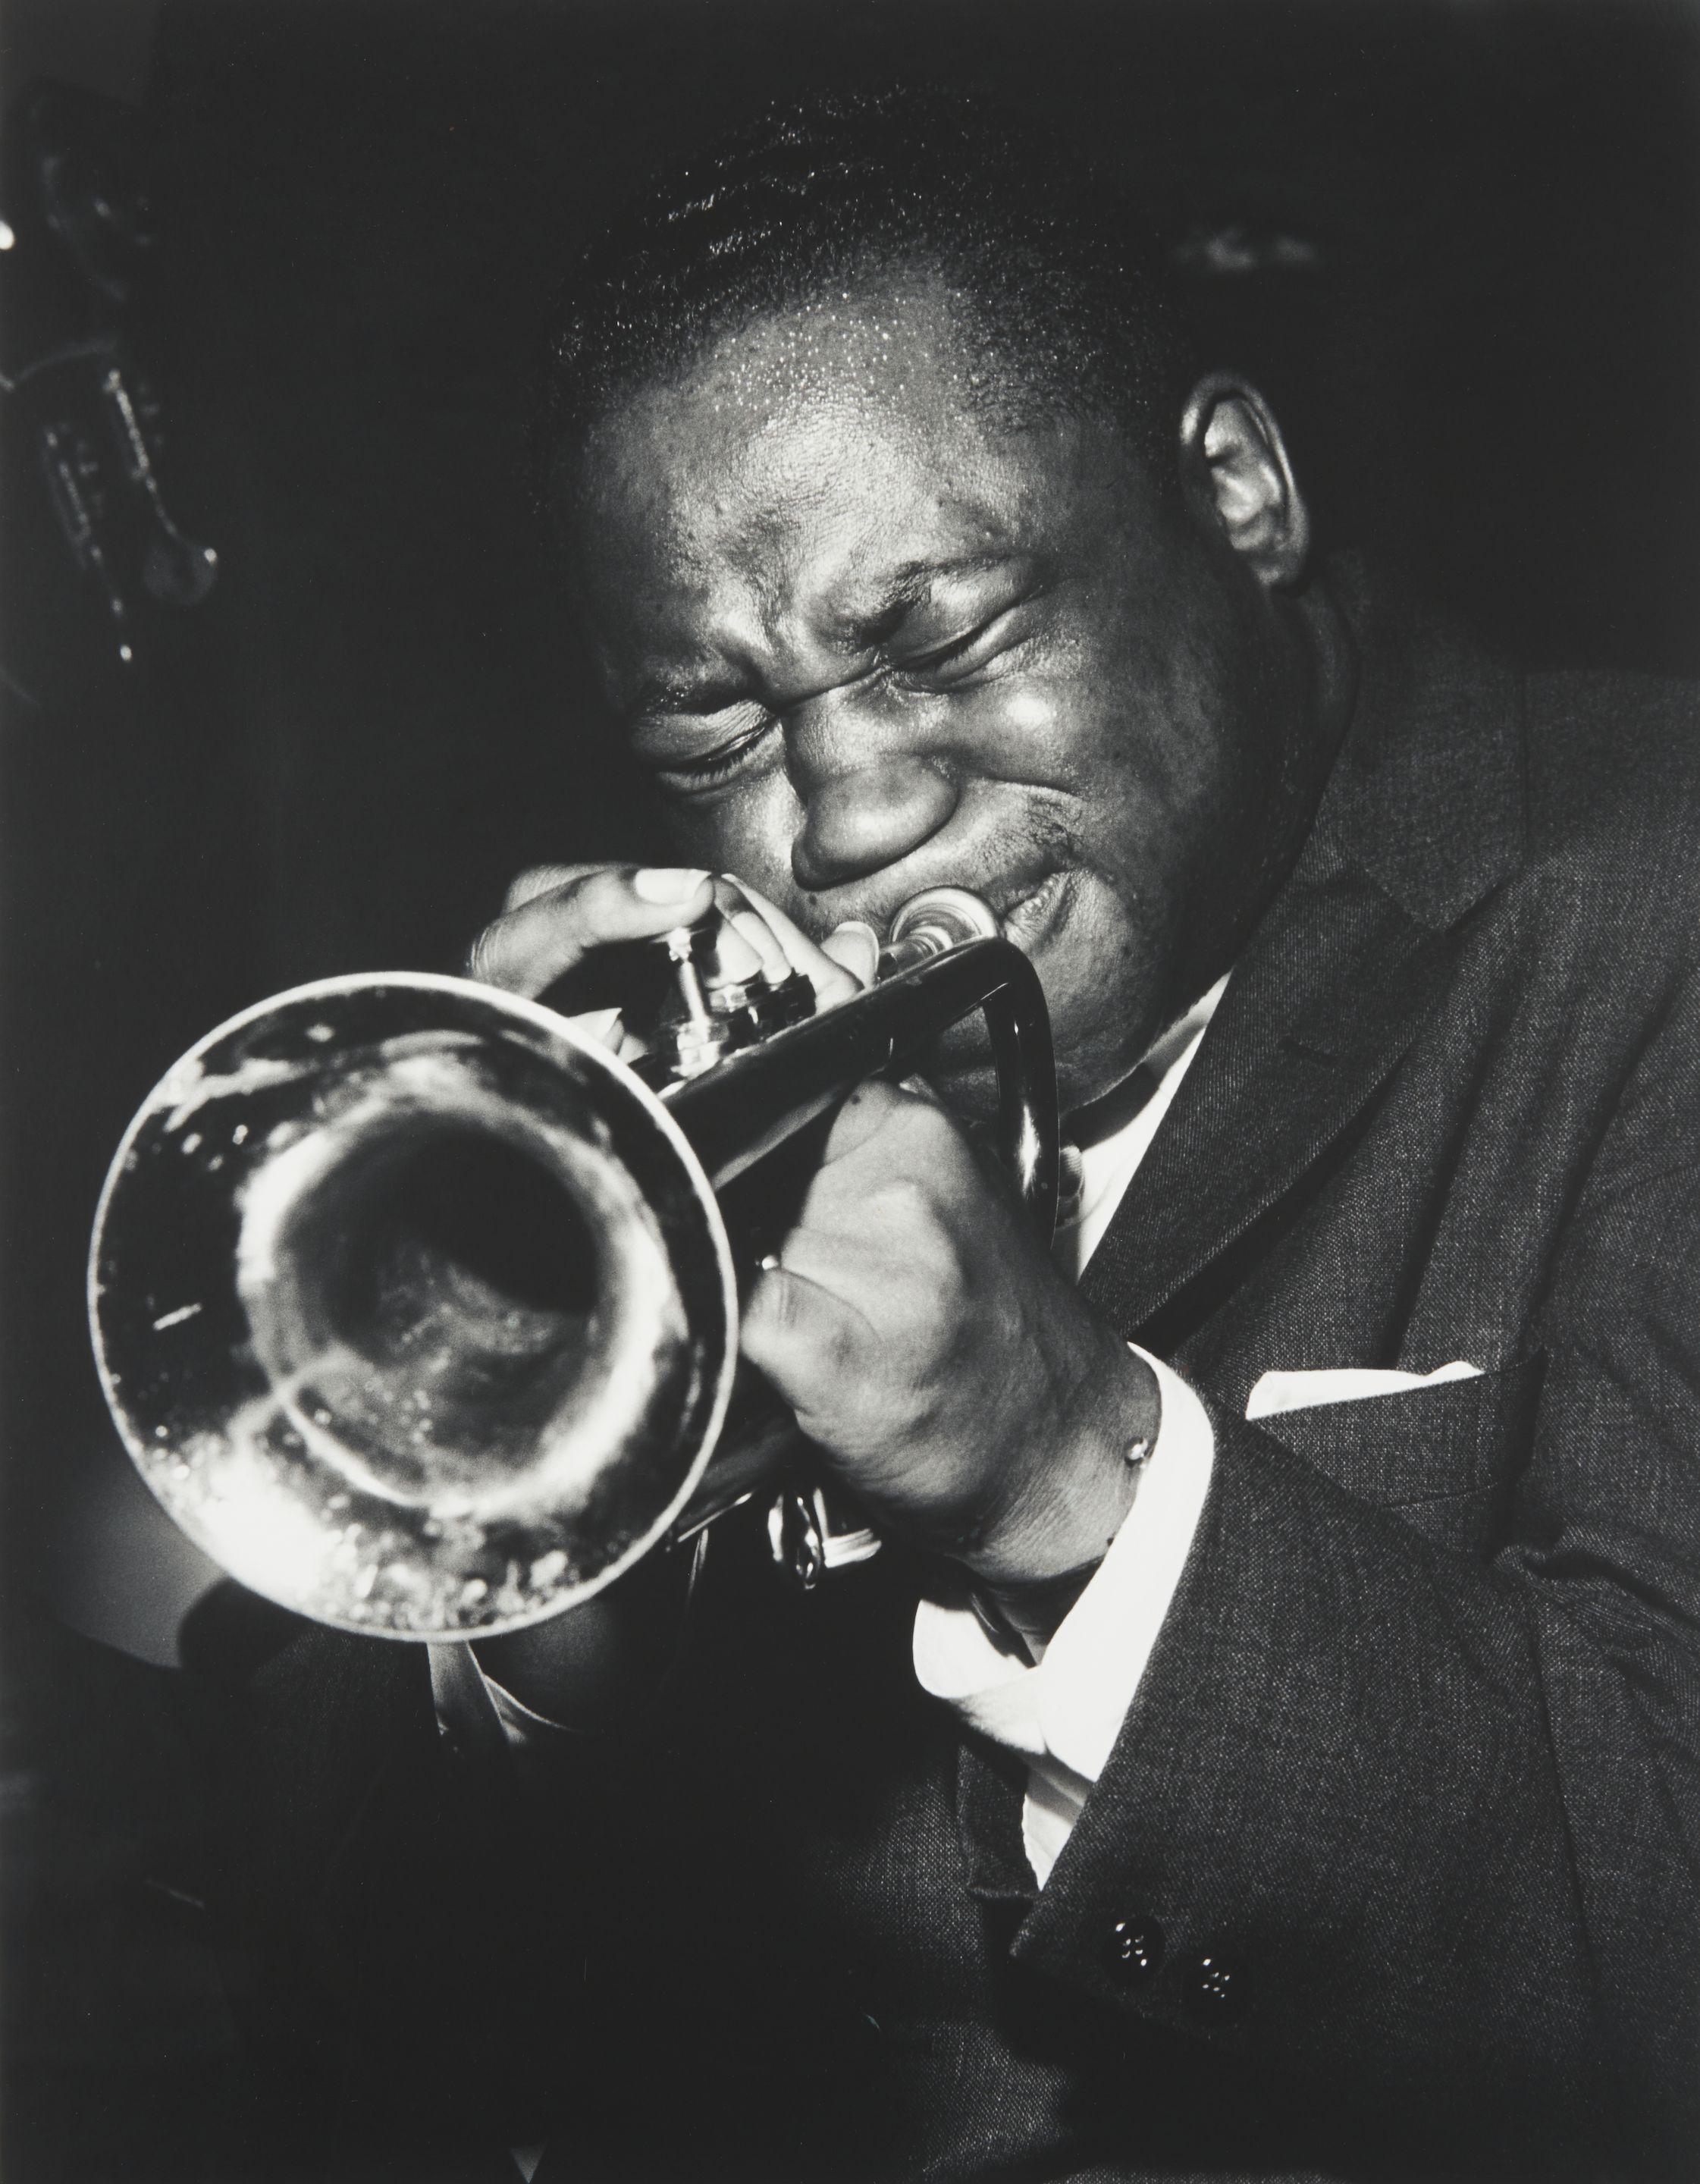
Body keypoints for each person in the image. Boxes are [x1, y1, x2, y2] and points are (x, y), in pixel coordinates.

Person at [186, 89, 1700, 2182]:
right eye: (714, 730)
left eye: (942, 639)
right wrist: (547, 1585)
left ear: (1237, 488)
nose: (845, 821)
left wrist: (1068, 1465)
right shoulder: (721, 1071)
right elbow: (316, 2010)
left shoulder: (1644, 908)